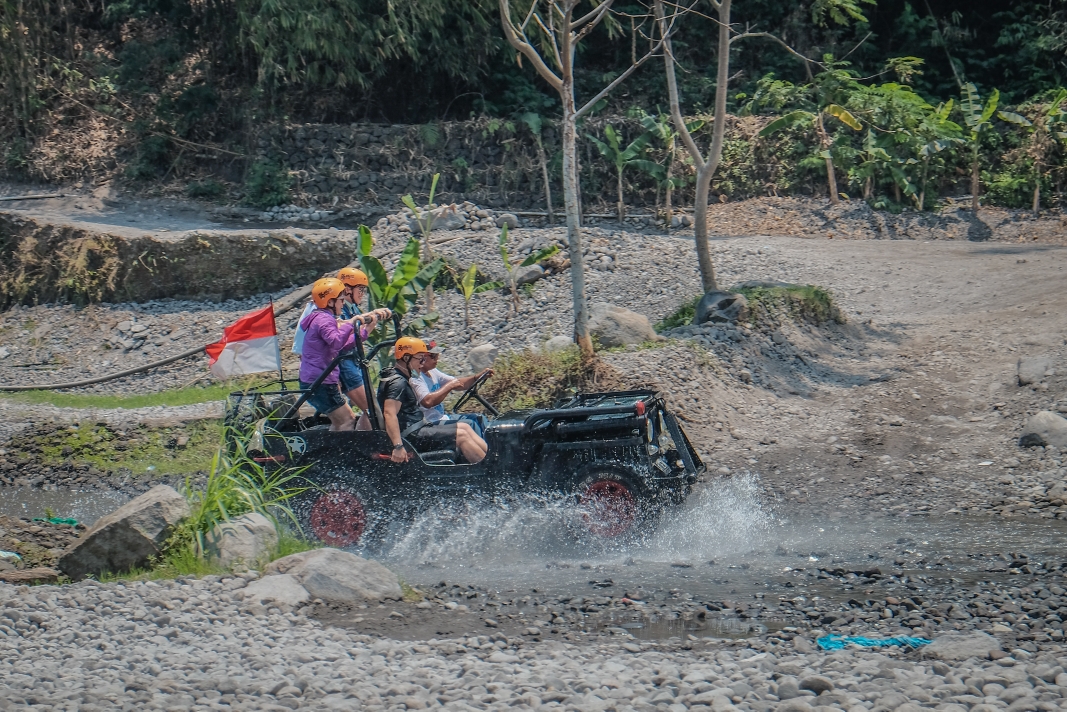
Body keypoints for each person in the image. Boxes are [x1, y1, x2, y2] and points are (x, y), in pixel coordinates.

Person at [378, 337, 488, 464]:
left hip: (418, 428)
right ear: (407, 358)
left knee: (464, 427)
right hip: (412, 435)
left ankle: (495, 462)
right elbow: (389, 413)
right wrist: (398, 446)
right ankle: (490, 474)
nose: (422, 363)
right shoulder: (398, 383)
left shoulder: (402, 377)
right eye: (420, 359)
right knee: (461, 436)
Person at [298, 277, 365, 431]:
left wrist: (365, 331)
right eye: (341, 300)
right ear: (330, 302)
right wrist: (350, 323)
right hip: (319, 381)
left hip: (319, 380)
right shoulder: (323, 321)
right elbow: (336, 341)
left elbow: (342, 345)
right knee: (347, 420)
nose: (343, 303)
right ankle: (342, 454)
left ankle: (330, 452)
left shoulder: (323, 318)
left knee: (339, 422)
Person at [335, 267, 390, 430]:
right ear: (347, 289)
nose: (363, 293)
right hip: (345, 365)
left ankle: (362, 442)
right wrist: (368, 328)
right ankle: (362, 447)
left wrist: (374, 314)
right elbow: (344, 338)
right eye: (360, 289)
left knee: (373, 409)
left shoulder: (352, 308)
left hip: (353, 362)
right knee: (372, 410)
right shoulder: (339, 310)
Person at [409, 344, 491, 436]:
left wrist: (477, 377)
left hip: (442, 417)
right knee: (470, 424)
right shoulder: (416, 377)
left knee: (479, 418)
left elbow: (458, 383)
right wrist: (449, 386)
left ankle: (493, 446)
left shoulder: (432, 371)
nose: (437, 359)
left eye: (437, 356)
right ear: (422, 357)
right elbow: (427, 402)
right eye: (433, 356)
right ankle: (481, 449)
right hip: (430, 423)